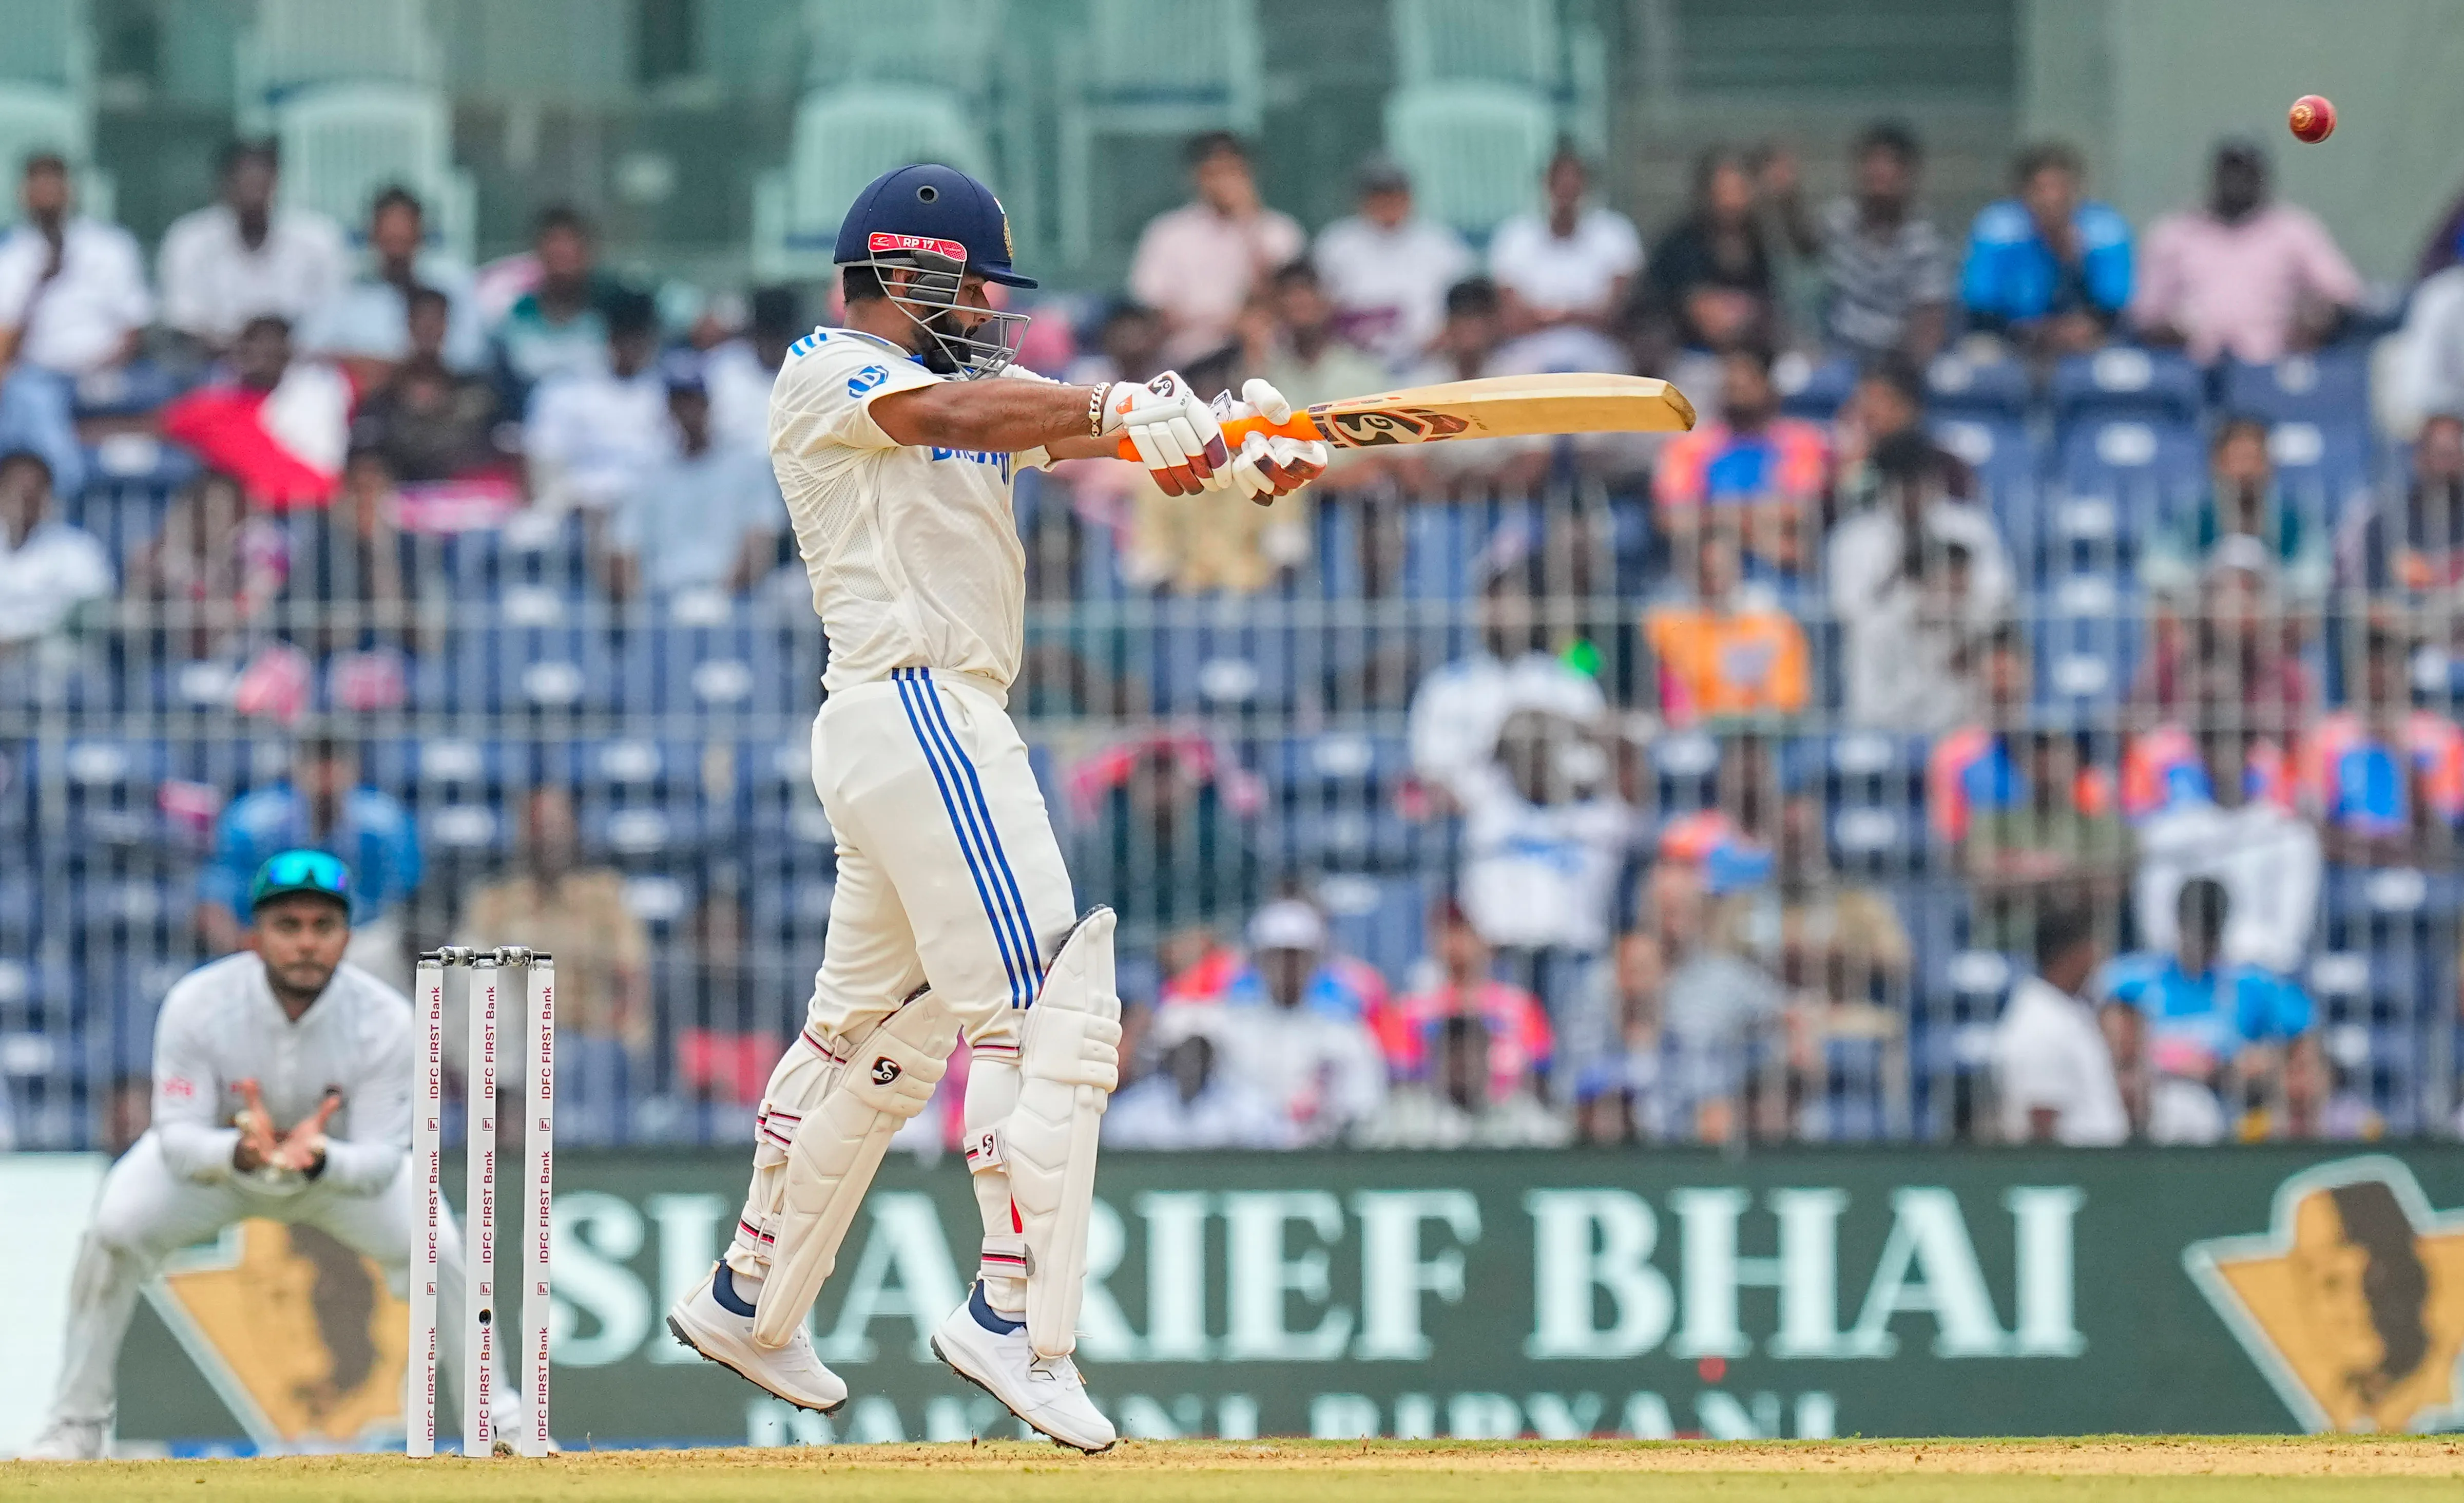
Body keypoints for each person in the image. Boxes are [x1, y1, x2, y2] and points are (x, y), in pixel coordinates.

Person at [662, 164, 1324, 1455]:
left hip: (898, 729)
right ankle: (1014, 1316)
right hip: (920, 711)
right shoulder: (829, 367)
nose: (985, 306)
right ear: (902, 273)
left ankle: (750, 1295)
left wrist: (1235, 443)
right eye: (968, 284)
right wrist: (1120, 398)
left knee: (873, 1036)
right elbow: (978, 406)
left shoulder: (962, 401)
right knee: (1052, 1012)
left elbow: (1069, 431)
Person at [16, 851, 525, 1461]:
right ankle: (75, 1425)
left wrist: (319, 1160)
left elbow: (384, 1160)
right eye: (289, 926)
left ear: (347, 936)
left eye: (323, 926)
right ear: (255, 935)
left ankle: (498, 1427)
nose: (307, 943)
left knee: (438, 1244)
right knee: (113, 1230)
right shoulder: (197, 1003)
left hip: (335, 1175)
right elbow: (176, 1138)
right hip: (220, 1169)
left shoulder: (387, 1019)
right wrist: (239, 1150)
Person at [2102, 877, 2315, 1144]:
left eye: (2211, 934)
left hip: (2227, 1116)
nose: (2203, 944)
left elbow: (2304, 1044)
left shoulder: (2251, 985)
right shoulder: (2131, 981)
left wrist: (2245, 1065)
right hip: (2146, 1113)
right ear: (2179, 924)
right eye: (2196, 932)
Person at [197, 734, 424, 985]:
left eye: (336, 762)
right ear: (296, 769)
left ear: (354, 769)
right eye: (315, 762)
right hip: (271, 946)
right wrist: (252, 948)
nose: (326, 776)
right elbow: (216, 901)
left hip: (364, 948)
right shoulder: (251, 823)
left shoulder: (386, 824)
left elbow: (406, 901)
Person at [1829, 430, 2015, 731]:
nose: (1913, 493)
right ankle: (1873, 733)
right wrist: (1899, 581)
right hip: (1890, 653)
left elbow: (1998, 597)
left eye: (1920, 481)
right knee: (1869, 639)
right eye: (1903, 484)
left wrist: (1951, 600)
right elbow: (1849, 611)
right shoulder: (1855, 538)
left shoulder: (1970, 527)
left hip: (1958, 646)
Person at [458, 786, 652, 1071]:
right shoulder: (493, 901)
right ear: (523, 833)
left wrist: (622, 1039)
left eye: (557, 826)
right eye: (539, 826)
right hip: (515, 1047)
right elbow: (468, 979)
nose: (549, 837)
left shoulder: (606, 896)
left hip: (593, 1043)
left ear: (575, 830)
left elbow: (633, 978)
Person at [2130, 140, 2362, 366]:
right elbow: (2144, 316)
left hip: (2272, 366)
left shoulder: (2294, 231)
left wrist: (2313, 317)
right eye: (2231, 171)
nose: (2238, 181)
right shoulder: (2175, 233)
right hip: (2190, 368)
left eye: (2247, 172)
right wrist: (2170, 330)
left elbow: (2345, 295)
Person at [0, 152, 145, 497]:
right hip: (36, 374)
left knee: (30, 405)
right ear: (23, 193)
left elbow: (133, 332)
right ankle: (62, 491)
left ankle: (53, 498)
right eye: (37, 183)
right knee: (30, 395)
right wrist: (39, 285)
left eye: (54, 182)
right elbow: (6, 349)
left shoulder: (111, 246)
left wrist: (93, 368)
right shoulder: (12, 254)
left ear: (71, 189)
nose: (47, 191)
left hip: (102, 370)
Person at [2134, 715, 2323, 976]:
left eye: (2235, 742)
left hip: (2261, 980)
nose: (2224, 753)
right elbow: (2158, 930)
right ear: (2200, 751)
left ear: (2251, 748)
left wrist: (2238, 969)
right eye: (2212, 742)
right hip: (2185, 977)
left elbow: (2288, 939)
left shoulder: (2289, 834)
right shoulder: (2168, 833)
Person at [606, 353, 784, 598]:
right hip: (664, 599)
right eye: (679, 402)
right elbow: (625, 544)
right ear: (669, 409)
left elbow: (762, 535)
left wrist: (724, 595)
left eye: (694, 400)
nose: (688, 410)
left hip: (732, 600)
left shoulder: (746, 466)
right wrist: (643, 608)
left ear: (708, 403)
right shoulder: (650, 473)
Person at [2300, 618, 2464, 870]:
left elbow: (2444, 828)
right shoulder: (2324, 737)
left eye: (2386, 665)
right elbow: (2312, 821)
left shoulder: (2443, 738)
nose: (2378, 677)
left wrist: (2399, 751)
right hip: (2345, 863)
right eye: (2369, 666)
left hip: (2423, 861)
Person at [1128, 132, 1304, 367]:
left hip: (1261, 359)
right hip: (1188, 359)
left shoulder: (1278, 231)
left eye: (1233, 172)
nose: (1223, 183)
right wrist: (1228, 322)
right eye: (1213, 173)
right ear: (1196, 177)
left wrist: (1248, 225)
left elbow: (1285, 303)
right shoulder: (1168, 233)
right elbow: (1157, 312)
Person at [1651, 346, 1829, 577]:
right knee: (1717, 553)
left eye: (1747, 383)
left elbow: (1801, 510)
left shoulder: (1802, 442)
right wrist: (1751, 530)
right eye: (1731, 385)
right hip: (1709, 565)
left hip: (1783, 567)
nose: (1737, 392)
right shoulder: (1688, 447)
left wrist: (1718, 518)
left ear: (1769, 385)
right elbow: (1671, 518)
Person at [158, 140, 347, 353]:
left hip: (299, 362)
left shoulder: (319, 238)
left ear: (276, 181)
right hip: (215, 362)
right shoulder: (189, 239)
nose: (253, 187)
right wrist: (246, 351)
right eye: (244, 178)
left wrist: (275, 353)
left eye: (261, 179)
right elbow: (182, 319)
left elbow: (333, 315)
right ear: (224, 183)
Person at [1786, 121, 1952, 363]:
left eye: (1888, 165)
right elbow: (1805, 247)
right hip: (1837, 356)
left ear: (1908, 174)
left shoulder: (1926, 240)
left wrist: (1896, 379)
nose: (1878, 174)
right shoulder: (1840, 220)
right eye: (1871, 163)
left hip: (1897, 364)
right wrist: (1788, 198)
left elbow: (1930, 320)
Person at [158, 314, 357, 510]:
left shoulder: (317, 396)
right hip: (245, 516)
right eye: (248, 348)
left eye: (268, 350)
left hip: (310, 514)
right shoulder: (216, 404)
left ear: (286, 354)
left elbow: (324, 480)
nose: (256, 358)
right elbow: (159, 425)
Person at [1960, 142, 2132, 356]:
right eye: (2041, 189)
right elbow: (1980, 307)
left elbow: (2113, 308)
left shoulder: (2105, 230)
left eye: (2061, 188)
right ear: (2022, 192)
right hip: (2009, 340)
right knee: (1979, 355)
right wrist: (2036, 332)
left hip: (2087, 341)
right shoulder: (1997, 230)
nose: (2053, 199)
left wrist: (2074, 260)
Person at [2142, 415, 2332, 607]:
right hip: (2202, 620)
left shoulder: (2296, 519)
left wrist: (2259, 589)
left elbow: (2315, 576)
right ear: (2215, 465)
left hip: (2275, 620)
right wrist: (2216, 587)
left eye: (2254, 459)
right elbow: (2159, 571)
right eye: (2236, 460)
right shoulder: (2188, 516)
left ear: (2271, 466)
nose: (2245, 471)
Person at [301, 185, 485, 376]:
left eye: (404, 237)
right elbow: (311, 347)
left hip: (439, 388)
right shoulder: (348, 288)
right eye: (389, 237)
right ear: (372, 235)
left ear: (420, 234)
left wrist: (397, 368)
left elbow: (471, 354)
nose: (396, 247)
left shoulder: (451, 282)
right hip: (364, 394)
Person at [1644, 519, 1811, 727]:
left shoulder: (1771, 622)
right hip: (1694, 731)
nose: (1716, 582)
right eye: (1706, 572)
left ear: (1738, 568)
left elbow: (1787, 697)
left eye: (1722, 569)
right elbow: (1670, 694)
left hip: (1761, 731)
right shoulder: (1668, 623)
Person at [1311, 156, 1473, 368]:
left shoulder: (1441, 244)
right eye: (1379, 195)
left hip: (1430, 363)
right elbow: (1317, 306)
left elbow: (1468, 308)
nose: (1388, 202)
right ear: (1362, 200)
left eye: (1394, 194)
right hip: (1353, 364)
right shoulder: (1336, 244)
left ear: (1409, 197)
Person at [523, 288, 672, 514]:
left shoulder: (668, 391)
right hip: (577, 514)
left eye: (641, 336)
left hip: (651, 513)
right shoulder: (564, 389)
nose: (633, 345)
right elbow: (544, 467)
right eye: (625, 335)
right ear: (610, 336)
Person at [1991, 902, 2128, 1145]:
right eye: (2092, 948)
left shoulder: (2068, 1011)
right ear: (2071, 955)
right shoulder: (2039, 1025)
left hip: (2098, 1168)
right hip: (2074, 1175)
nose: (2099, 959)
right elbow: (2042, 1122)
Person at [349, 286, 514, 487]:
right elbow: (366, 460)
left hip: (465, 501)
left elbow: (501, 450)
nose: (429, 328)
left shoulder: (477, 394)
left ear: (448, 325)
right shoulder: (383, 400)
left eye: (437, 319)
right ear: (408, 324)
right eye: (421, 319)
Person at [1487, 143, 1642, 343]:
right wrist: (1574, 316)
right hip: (1528, 346)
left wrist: (1553, 316)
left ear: (1588, 187)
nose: (1566, 193)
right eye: (1558, 183)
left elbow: (1612, 316)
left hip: (1598, 346)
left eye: (1574, 184)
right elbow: (1514, 320)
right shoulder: (1514, 236)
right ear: (1545, 186)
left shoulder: (1616, 234)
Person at [1640, 146, 1780, 358]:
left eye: (1739, 191)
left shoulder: (1760, 240)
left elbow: (1768, 305)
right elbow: (1708, 320)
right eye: (1724, 192)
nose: (1732, 201)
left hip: (1750, 357)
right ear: (1706, 194)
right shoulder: (1681, 243)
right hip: (1684, 354)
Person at [1101, 1003, 1294, 1150]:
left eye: (1201, 1051)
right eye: (1184, 1050)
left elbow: (1277, 1144)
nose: (1192, 1060)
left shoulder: (1248, 1108)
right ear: (1170, 1054)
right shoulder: (1134, 1110)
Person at [490, 206, 625, 404]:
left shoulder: (615, 314)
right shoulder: (515, 317)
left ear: (588, 252)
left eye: (570, 246)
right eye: (554, 245)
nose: (562, 255)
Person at [2339, 410, 2464, 596]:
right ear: (2419, 456)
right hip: (2404, 622)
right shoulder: (2385, 522)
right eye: (2440, 453)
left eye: (2454, 453)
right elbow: (2365, 603)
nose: (2446, 466)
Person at [0, 449, 110, 649]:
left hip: (54, 658)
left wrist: (25, 643)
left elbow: (94, 610)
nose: (24, 501)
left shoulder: (77, 549)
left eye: (32, 493)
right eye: (15, 491)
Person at [705, 284, 803, 458]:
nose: (772, 343)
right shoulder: (722, 369)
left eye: (778, 335)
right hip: (730, 472)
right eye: (766, 334)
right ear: (754, 331)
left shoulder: (811, 372)